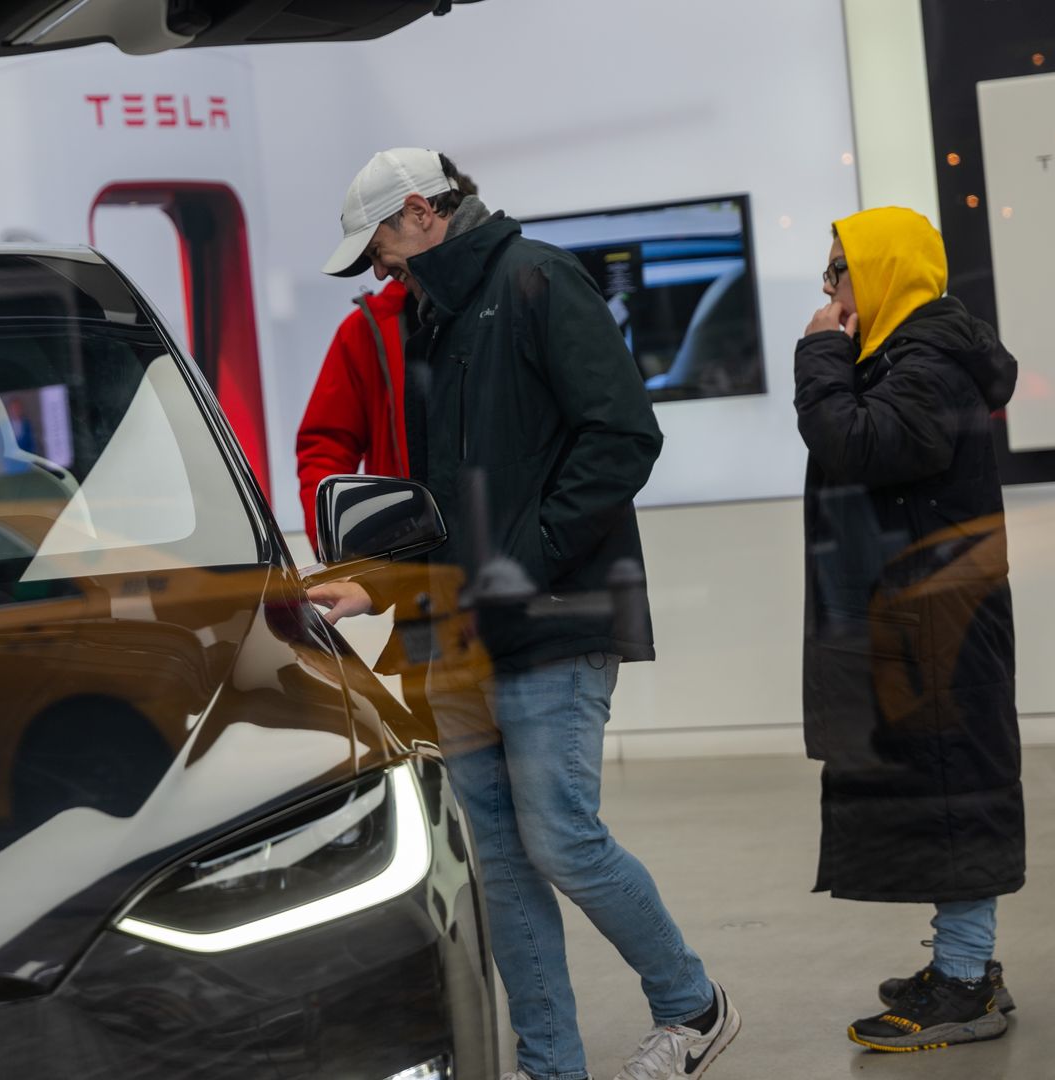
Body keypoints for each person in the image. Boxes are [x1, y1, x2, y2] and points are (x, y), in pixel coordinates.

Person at [308, 147, 739, 1080]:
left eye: (380, 239)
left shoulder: (541, 280)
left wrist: (522, 563)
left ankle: (692, 1005)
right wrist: (376, 585)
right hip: (453, 636)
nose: (378, 263)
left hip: (551, 624)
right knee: (501, 865)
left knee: (562, 842)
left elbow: (623, 437)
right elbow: (438, 503)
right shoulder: (425, 321)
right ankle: (552, 1066)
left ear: (420, 211)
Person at [794, 207, 1022, 1053]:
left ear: (884, 270)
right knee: (934, 788)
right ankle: (964, 963)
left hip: (937, 625)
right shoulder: (909, 353)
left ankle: (965, 984)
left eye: (838, 269)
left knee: (954, 791)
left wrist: (819, 355)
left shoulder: (927, 360)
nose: (829, 289)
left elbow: (861, 446)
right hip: (915, 617)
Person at [296, 163, 479, 725]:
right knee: (455, 790)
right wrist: (354, 558)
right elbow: (323, 449)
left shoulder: (514, 305)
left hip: (521, 596)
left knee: (547, 803)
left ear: (424, 214)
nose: (377, 274)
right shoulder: (367, 332)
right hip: (427, 602)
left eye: (379, 252)